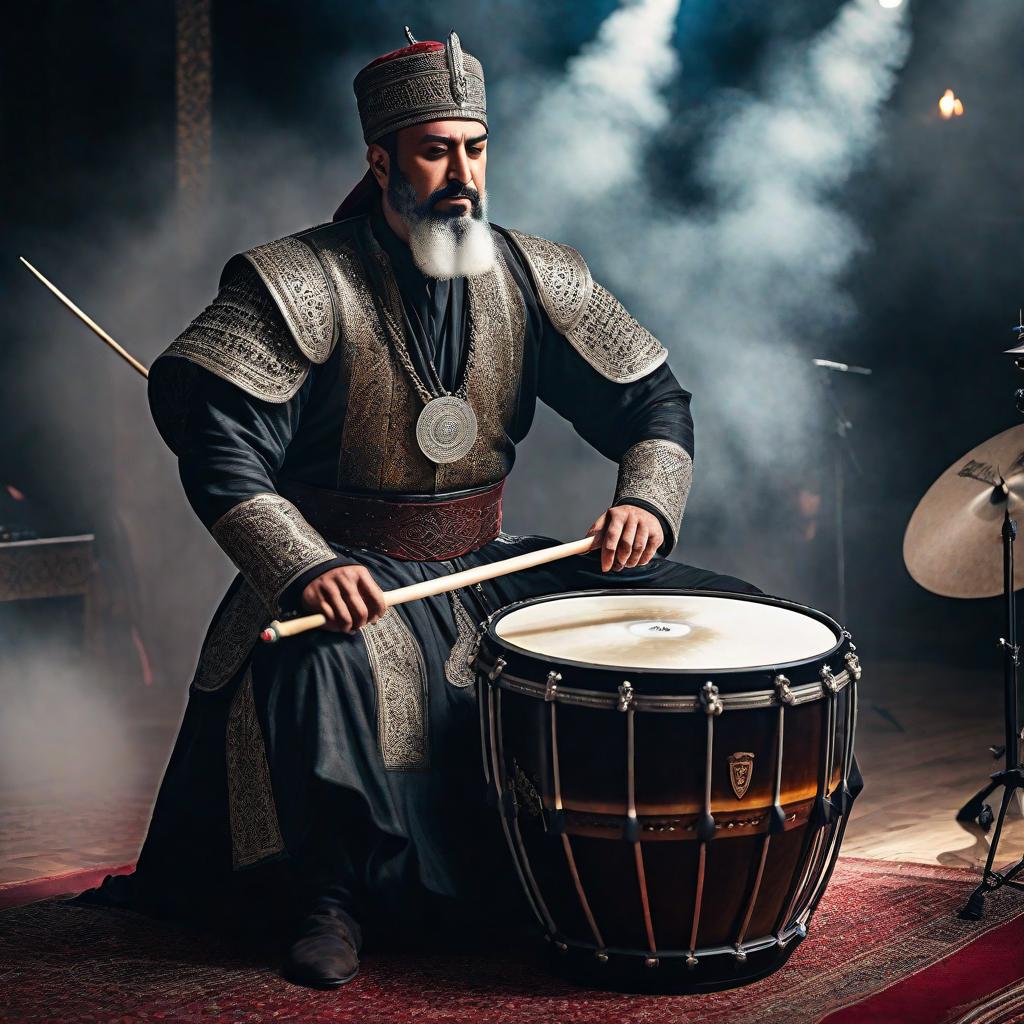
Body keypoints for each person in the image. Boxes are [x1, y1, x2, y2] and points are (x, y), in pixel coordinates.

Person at [84, 29, 757, 989]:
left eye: (475, 149)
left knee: (705, 618)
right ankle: (330, 900)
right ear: (381, 158)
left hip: (486, 567)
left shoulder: (536, 274)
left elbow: (654, 400)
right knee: (329, 665)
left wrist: (645, 500)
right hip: (342, 572)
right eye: (437, 149)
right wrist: (307, 565)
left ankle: (603, 867)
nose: (461, 174)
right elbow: (219, 443)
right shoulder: (298, 280)